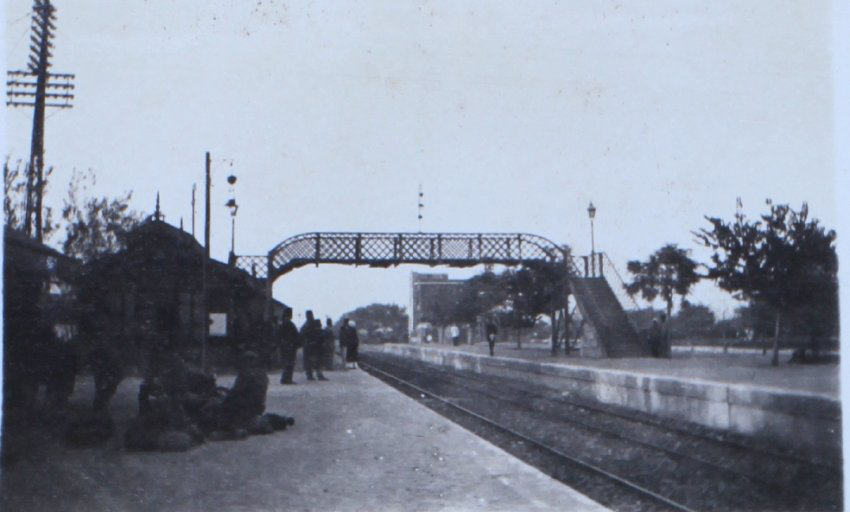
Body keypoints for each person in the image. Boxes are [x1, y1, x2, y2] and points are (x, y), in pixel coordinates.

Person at [300, 311, 327, 381]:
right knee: (317, 360)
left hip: (309, 345)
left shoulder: (305, 325)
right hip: (314, 345)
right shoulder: (314, 323)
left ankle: (310, 375)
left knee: (310, 361)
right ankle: (318, 375)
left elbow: (301, 334)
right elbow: (319, 333)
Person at [277, 308, 300, 384]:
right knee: (289, 363)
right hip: (290, 346)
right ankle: (287, 379)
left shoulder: (282, 323)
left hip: (285, 346)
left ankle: (285, 378)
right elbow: (295, 334)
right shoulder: (289, 324)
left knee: (286, 363)